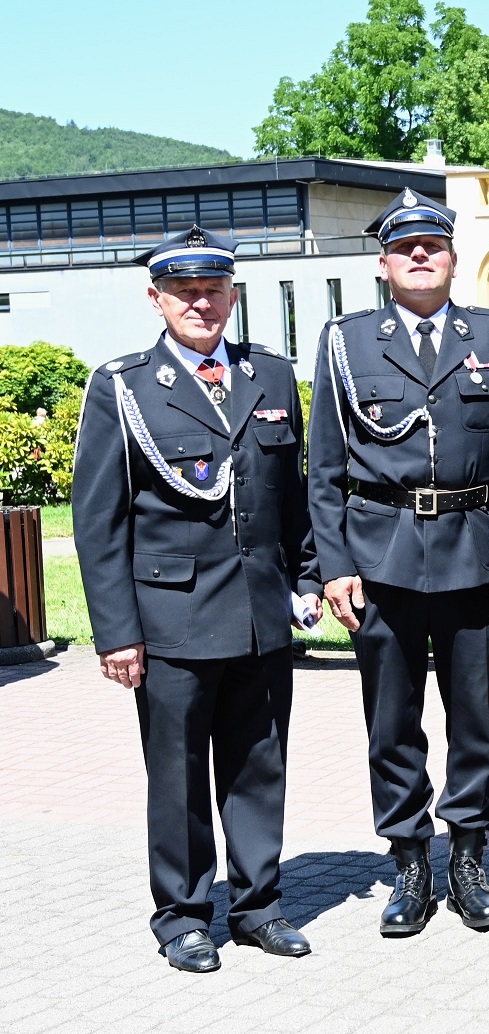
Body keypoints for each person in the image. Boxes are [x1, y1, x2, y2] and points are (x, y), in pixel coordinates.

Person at [72, 228, 319, 972]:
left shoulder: (270, 376)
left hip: (260, 616)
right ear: (157, 299)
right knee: (177, 776)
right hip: (171, 619)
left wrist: (307, 578)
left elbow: (292, 499)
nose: (201, 303)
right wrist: (117, 632)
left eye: (214, 290)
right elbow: (99, 521)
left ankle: (258, 905)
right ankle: (182, 915)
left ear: (233, 296)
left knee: (258, 767)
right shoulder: (124, 386)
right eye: (185, 292)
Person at [307, 190, 489, 937]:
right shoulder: (346, 342)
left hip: (475, 555)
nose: (419, 256)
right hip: (382, 557)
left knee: (476, 720)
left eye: (432, 246)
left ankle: (468, 858)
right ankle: (410, 860)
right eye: (405, 248)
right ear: (383, 264)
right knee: (392, 722)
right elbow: (325, 467)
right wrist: (334, 565)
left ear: (453, 259)